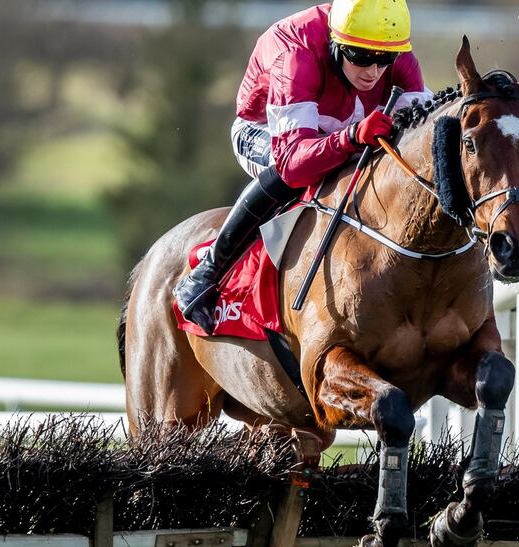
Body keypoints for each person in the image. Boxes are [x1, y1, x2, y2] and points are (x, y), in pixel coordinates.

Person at [174, 0, 432, 334]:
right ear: (337, 45)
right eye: (361, 58)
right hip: (267, 131)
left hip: (339, 125)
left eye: (384, 60)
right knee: (293, 177)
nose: (373, 71)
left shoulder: (396, 54)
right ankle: (207, 272)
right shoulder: (297, 56)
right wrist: (350, 137)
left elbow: (419, 136)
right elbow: (293, 163)